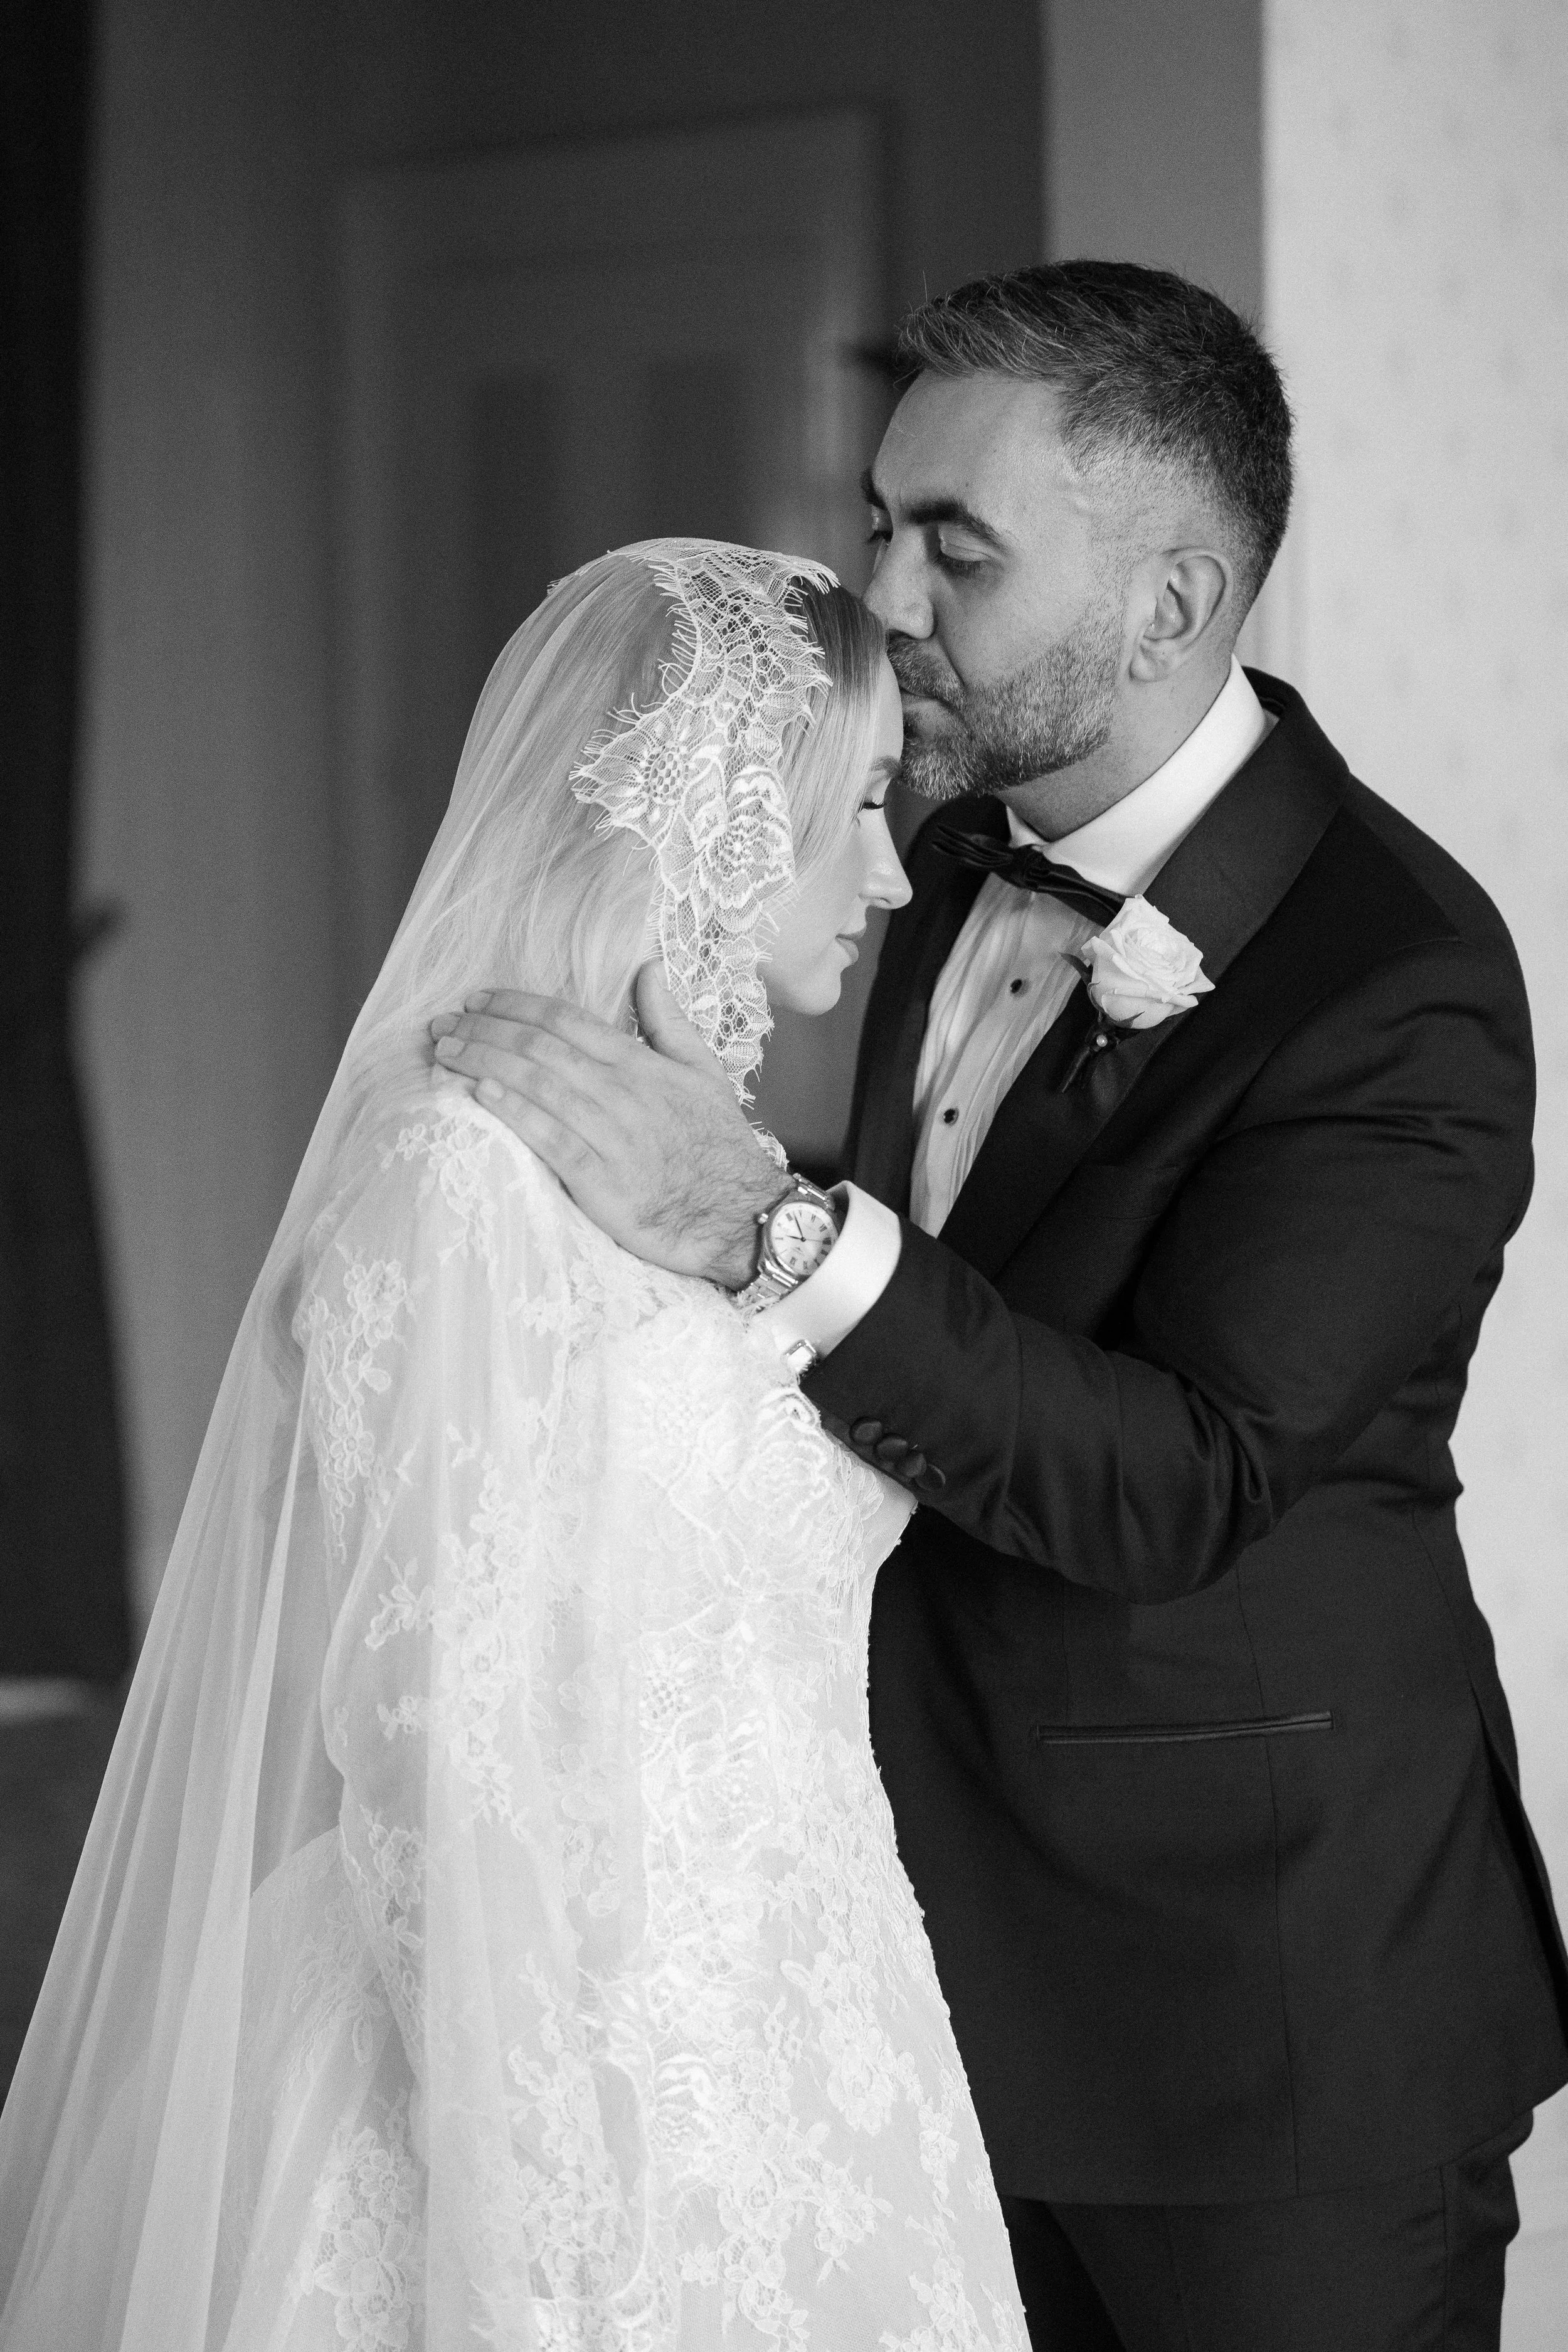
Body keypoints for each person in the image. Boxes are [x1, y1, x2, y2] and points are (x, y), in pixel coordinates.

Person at [429, 268, 1568, 2351]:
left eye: (954, 547)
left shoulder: (1391, 978)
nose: (877, 593)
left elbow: (1187, 1478)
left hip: (1253, 2026)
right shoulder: (918, 850)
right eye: (878, 520)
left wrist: (758, 1224)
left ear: (1167, 602)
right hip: (884, 1984)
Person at [0, 541, 1031, 2351]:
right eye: (854, 806)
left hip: (804, 2039)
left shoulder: (713, 1173)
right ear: (717, 817)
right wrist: (552, 2242)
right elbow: (436, 1750)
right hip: (538, 2072)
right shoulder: (452, 1170)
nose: (885, 871)